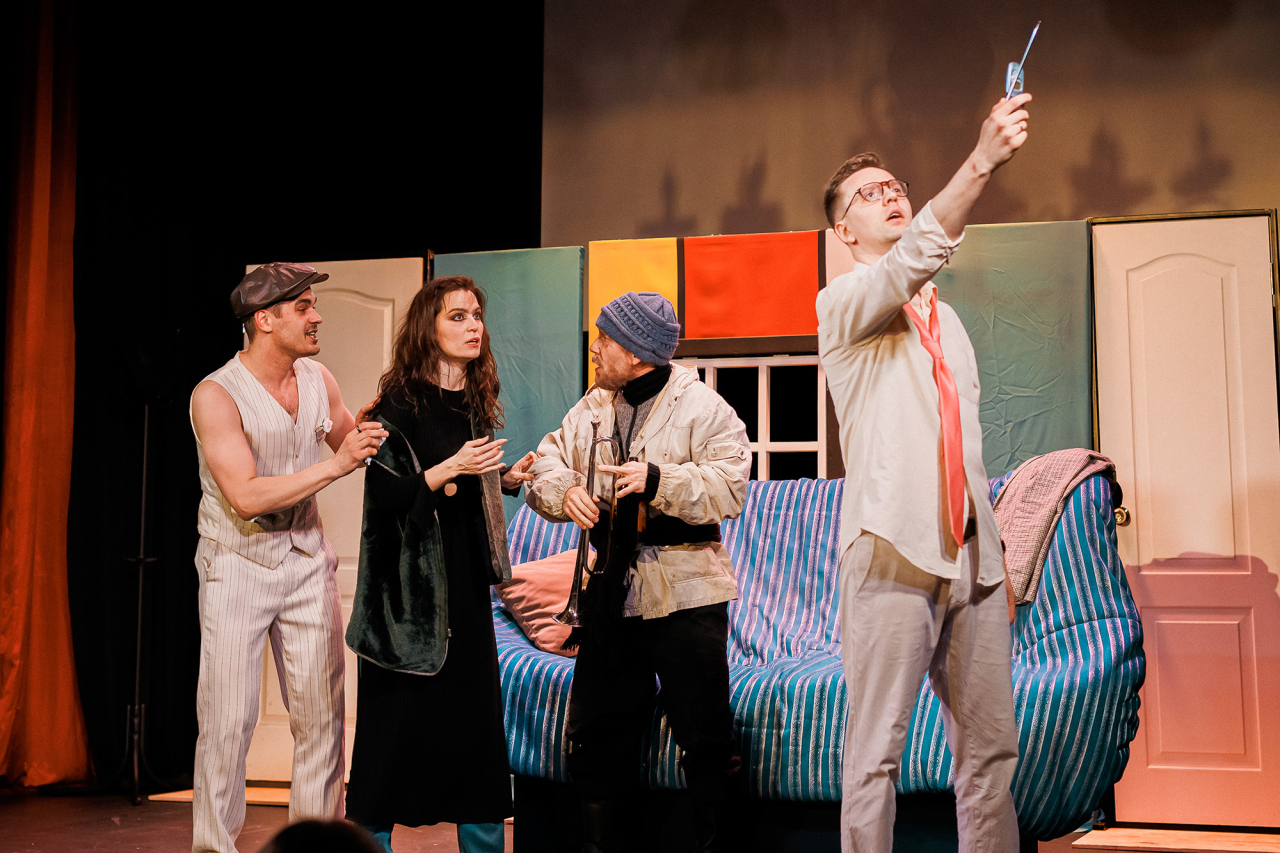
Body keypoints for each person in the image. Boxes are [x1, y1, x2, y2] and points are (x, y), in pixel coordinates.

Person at [816, 94, 1033, 852]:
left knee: (991, 754)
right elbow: (913, 259)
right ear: (844, 231)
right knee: (875, 754)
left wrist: (992, 549)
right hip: (892, 547)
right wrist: (981, 161)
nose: (890, 195)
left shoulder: (949, 321)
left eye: (894, 185)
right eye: (868, 193)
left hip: (971, 558)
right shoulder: (845, 302)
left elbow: (961, 442)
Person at [526, 292, 751, 853]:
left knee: (705, 738)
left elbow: (730, 487)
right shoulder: (594, 405)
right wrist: (565, 489)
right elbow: (547, 459)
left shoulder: (703, 408)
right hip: (610, 592)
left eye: (604, 339)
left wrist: (659, 481)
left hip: (685, 591)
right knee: (596, 736)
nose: (595, 348)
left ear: (636, 352)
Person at [189, 262, 388, 853]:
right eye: (303, 307)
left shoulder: (318, 378)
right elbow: (247, 497)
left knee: (323, 721)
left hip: (305, 560)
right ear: (264, 320)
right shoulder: (216, 394)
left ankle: (319, 852)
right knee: (228, 723)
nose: (317, 316)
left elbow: (353, 441)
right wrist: (337, 465)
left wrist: (382, 427)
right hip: (237, 563)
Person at [344, 276, 536, 853]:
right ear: (427, 328)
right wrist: (451, 468)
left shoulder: (473, 400)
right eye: (457, 316)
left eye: (476, 315)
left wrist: (501, 478)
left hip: (465, 591)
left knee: (475, 740)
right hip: (407, 600)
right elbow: (385, 499)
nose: (473, 326)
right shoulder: (398, 404)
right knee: (391, 743)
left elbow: (464, 484)